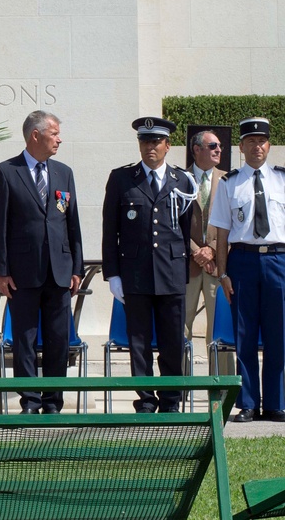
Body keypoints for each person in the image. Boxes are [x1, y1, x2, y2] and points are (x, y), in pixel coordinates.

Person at [0, 111, 83, 415]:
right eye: (54, 133)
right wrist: (1, 271)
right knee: (25, 340)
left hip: (59, 272)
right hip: (22, 273)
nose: (59, 139)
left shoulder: (64, 172)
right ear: (35, 135)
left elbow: (73, 223)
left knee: (58, 339)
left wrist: (77, 268)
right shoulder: (5, 172)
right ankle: (29, 401)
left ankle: (54, 401)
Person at [102, 117, 195, 413]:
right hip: (136, 274)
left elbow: (186, 230)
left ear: (168, 146)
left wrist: (186, 272)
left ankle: (171, 399)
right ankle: (145, 399)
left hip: (171, 273)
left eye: (156, 142)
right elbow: (110, 231)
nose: (150, 147)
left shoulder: (183, 181)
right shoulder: (121, 179)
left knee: (172, 342)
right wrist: (113, 274)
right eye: (145, 142)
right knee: (138, 343)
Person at [211, 117, 285, 423]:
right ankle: (249, 403)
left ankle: (277, 403)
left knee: (278, 335)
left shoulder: (282, 179)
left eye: (262, 141)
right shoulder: (230, 183)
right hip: (242, 261)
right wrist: (224, 274)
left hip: (279, 260)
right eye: (251, 142)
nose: (257, 146)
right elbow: (222, 234)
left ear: (269, 145)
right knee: (244, 335)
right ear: (241, 147)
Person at [184, 129, 231, 375]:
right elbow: (172, 223)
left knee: (219, 331)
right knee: (181, 328)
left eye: (220, 146)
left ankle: (222, 389)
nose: (218, 150)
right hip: (186, 266)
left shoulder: (228, 179)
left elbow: (234, 223)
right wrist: (196, 252)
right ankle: (178, 391)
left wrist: (212, 252)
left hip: (218, 266)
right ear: (196, 149)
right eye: (212, 145)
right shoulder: (179, 178)